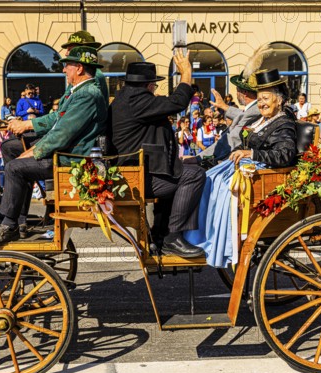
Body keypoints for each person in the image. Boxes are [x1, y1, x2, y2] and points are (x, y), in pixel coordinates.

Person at [0, 46, 108, 246]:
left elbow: (61, 135)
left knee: (15, 167)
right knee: (10, 147)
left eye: (67, 66)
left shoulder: (87, 94)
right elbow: (58, 119)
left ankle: (8, 224)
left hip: (70, 157)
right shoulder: (81, 91)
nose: (64, 70)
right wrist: (25, 126)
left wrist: (32, 153)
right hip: (65, 148)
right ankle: (16, 210)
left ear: (80, 68)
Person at [185, 68, 298, 268]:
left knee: (220, 185)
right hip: (242, 165)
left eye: (265, 98)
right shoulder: (264, 119)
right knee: (207, 178)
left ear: (278, 100)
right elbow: (245, 135)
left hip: (260, 172)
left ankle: (220, 242)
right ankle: (201, 236)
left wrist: (251, 154)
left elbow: (284, 155)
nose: (261, 103)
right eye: (260, 99)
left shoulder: (283, 123)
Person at [109, 54, 206, 258]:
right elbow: (177, 102)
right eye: (153, 85)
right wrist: (186, 74)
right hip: (134, 178)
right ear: (148, 85)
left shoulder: (126, 98)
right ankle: (173, 237)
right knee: (194, 175)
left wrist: (175, 161)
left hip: (132, 172)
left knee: (179, 171)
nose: (155, 89)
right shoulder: (137, 100)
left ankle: (159, 235)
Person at [0, 30, 108, 164]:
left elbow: (66, 124)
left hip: (74, 145)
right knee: (9, 146)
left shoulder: (90, 79)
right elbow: (60, 115)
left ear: (82, 52)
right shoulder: (79, 80)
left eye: (70, 49)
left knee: (13, 155)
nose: (66, 54)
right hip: (65, 136)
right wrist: (25, 125)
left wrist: (27, 128)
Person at [199, 59, 262, 163]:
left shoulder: (255, 111)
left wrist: (199, 158)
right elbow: (243, 115)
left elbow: (230, 140)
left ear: (244, 92)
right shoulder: (252, 110)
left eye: (237, 90)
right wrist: (224, 106)